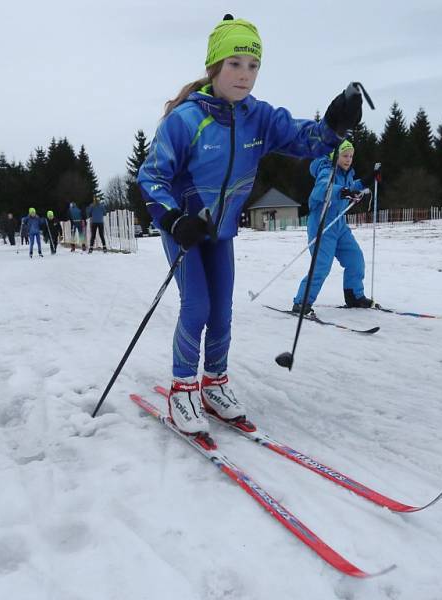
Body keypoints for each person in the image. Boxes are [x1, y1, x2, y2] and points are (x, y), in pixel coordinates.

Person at [137, 14, 363, 437]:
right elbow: (151, 177)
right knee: (197, 306)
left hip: (220, 232)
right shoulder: (186, 119)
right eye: (235, 64)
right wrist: (170, 218)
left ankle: (214, 384)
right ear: (215, 67)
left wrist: (334, 126)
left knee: (222, 311)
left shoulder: (259, 117)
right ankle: (182, 387)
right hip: (185, 230)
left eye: (253, 66)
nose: (245, 75)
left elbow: (304, 139)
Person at [291, 140, 374, 315]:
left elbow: (351, 187)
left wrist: (367, 180)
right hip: (322, 225)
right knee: (321, 266)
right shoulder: (326, 171)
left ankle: (354, 296)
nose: (348, 159)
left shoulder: (347, 173)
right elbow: (321, 190)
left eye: (351, 156)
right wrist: (343, 191)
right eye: (344, 155)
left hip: (340, 225)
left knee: (355, 259)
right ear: (335, 155)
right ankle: (301, 303)